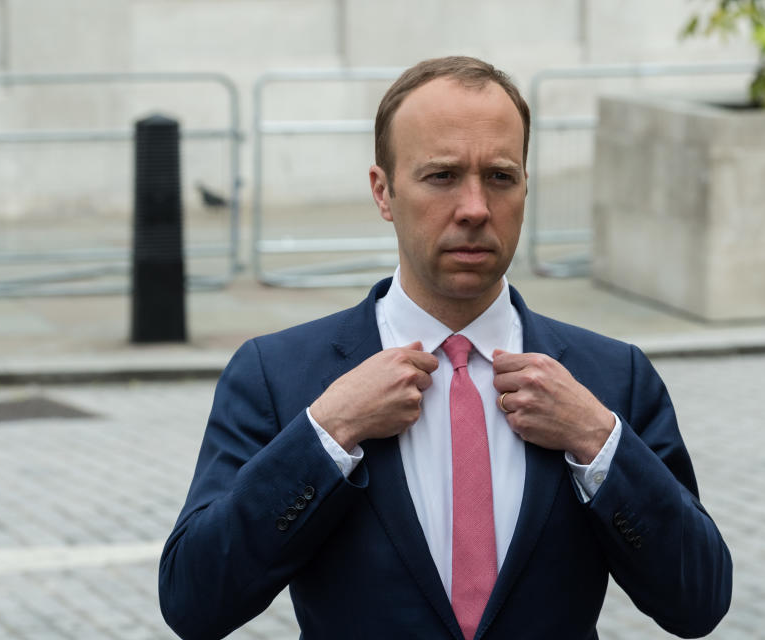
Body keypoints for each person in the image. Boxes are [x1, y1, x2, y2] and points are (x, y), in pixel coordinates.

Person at [159, 56, 732, 640]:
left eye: (501, 177)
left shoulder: (611, 376)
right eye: (442, 176)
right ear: (383, 193)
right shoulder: (278, 374)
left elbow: (698, 601)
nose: (476, 208)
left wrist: (597, 441)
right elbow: (194, 601)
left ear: (526, 188)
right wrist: (327, 433)